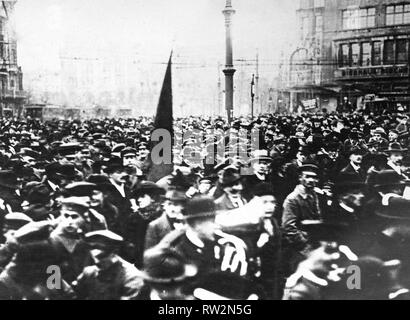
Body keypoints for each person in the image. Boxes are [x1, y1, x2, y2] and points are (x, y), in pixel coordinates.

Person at [147, 196, 248, 277]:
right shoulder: (178, 253)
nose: (216, 226)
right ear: (197, 224)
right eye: (211, 222)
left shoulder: (224, 245)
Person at [72, 230, 144, 300]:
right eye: (92, 248)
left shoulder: (131, 277)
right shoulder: (89, 273)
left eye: (102, 257)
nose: (95, 254)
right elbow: (73, 294)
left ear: (114, 251)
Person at [281, 164, 323, 275]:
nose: (311, 180)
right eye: (307, 176)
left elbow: (317, 218)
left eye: (314, 177)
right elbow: (289, 227)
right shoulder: (293, 199)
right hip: (298, 247)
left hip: (312, 241)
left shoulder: (313, 195)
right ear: (300, 178)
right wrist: (305, 246)